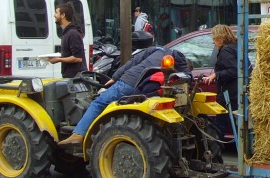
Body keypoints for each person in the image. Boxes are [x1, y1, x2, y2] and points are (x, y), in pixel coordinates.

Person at [58, 46, 188, 146]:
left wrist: (114, 78)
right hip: (143, 89)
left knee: (98, 103)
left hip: (128, 82)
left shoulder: (158, 49)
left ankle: (78, 134)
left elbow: (132, 62)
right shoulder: (177, 68)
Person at [202, 24, 239, 131]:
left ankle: (218, 146)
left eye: (214, 38)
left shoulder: (226, 51)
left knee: (220, 126)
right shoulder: (235, 47)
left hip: (229, 96)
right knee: (233, 125)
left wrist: (216, 75)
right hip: (235, 94)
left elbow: (233, 70)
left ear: (220, 38)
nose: (213, 42)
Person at [49, 2, 86, 78]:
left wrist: (58, 59)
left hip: (76, 77)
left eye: (56, 13)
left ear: (63, 15)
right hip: (70, 76)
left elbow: (78, 58)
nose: (54, 15)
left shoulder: (73, 33)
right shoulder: (66, 33)